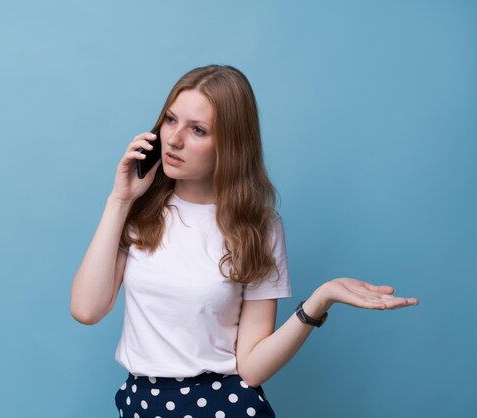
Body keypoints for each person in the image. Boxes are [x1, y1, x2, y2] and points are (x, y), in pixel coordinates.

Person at [70, 65, 418, 418]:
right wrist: (120, 200)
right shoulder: (140, 211)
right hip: (141, 404)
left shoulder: (258, 227)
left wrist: (319, 300)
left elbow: (251, 367)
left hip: (224, 406)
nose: (174, 139)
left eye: (198, 130)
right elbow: (86, 310)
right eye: (170, 120)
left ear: (230, 144)